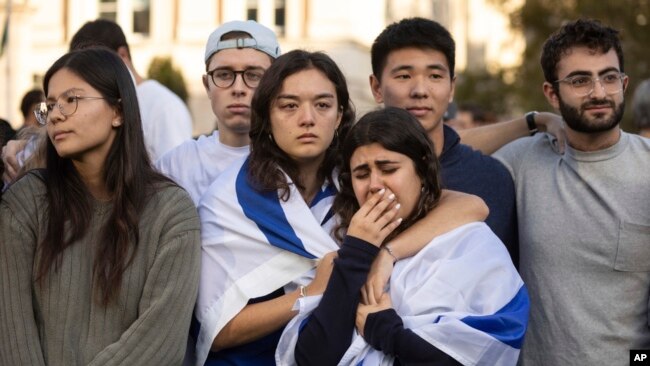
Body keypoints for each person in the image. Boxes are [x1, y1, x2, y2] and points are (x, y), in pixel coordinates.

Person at [192, 50, 488, 365]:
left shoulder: (357, 179)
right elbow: (218, 329)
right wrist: (311, 293)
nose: (307, 119)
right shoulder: (231, 199)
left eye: (322, 105)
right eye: (289, 106)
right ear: (266, 117)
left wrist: (387, 253)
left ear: (340, 115)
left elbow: (471, 206)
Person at [0, 47, 201, 365]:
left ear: (118, 111)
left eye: (72, 99)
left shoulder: (171, 213)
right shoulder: (24, 204)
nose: (55, 115)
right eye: (50, 105)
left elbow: (159, 343)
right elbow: (12, 335)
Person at [281, 107, 528, 365]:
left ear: (422, 169)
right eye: (362, 174)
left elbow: (485, 351)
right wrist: (356, 253)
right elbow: (313, 358)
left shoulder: (471, 244)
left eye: (388, 169)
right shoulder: (332, 238)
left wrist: (388, 333)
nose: (375, 184)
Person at [493, 19, 650, 365]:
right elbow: (439, 154)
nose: (598, 92)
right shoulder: (525, 160)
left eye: (609, 77)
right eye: (580, 80)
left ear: (624, 84)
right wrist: (532, 121)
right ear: (552, 93)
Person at [367, 17, 519, 265]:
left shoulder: (490, 177)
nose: (420, 90)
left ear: (452, 88)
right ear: (376, 88)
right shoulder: (353, 176)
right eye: (404, 76)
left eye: (435, 76)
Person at [156, 20, 279, 205]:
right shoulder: (175, 167)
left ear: (275, 86)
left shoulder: (298, 164)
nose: (238, 89)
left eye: (254, 76)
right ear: (207, 86)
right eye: (224, 75)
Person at [70, 19, 193, 161]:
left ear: (123, 55)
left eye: (96, 65)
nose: (89, 76)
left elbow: (177, 172)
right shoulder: (104, 102)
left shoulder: (164, 106)